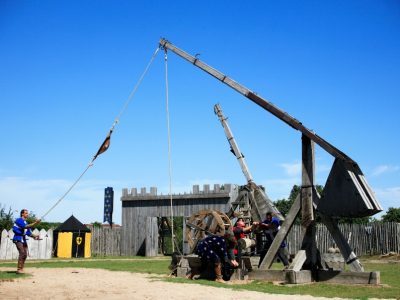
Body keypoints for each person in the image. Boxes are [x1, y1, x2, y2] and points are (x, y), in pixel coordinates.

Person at [12, 209, 41, 274]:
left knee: (25, 254)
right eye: (26, 213)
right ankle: (19, 269)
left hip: (23, 240)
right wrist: (35, 223)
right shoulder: (18, 220)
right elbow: (25, 227)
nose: (27, 214)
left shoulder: (26, 222)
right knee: (22, 252)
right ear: (22, 214)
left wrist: (35, 236)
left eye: (27, 213)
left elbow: (28, 233)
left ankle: (21, 268)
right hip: (18, 238)